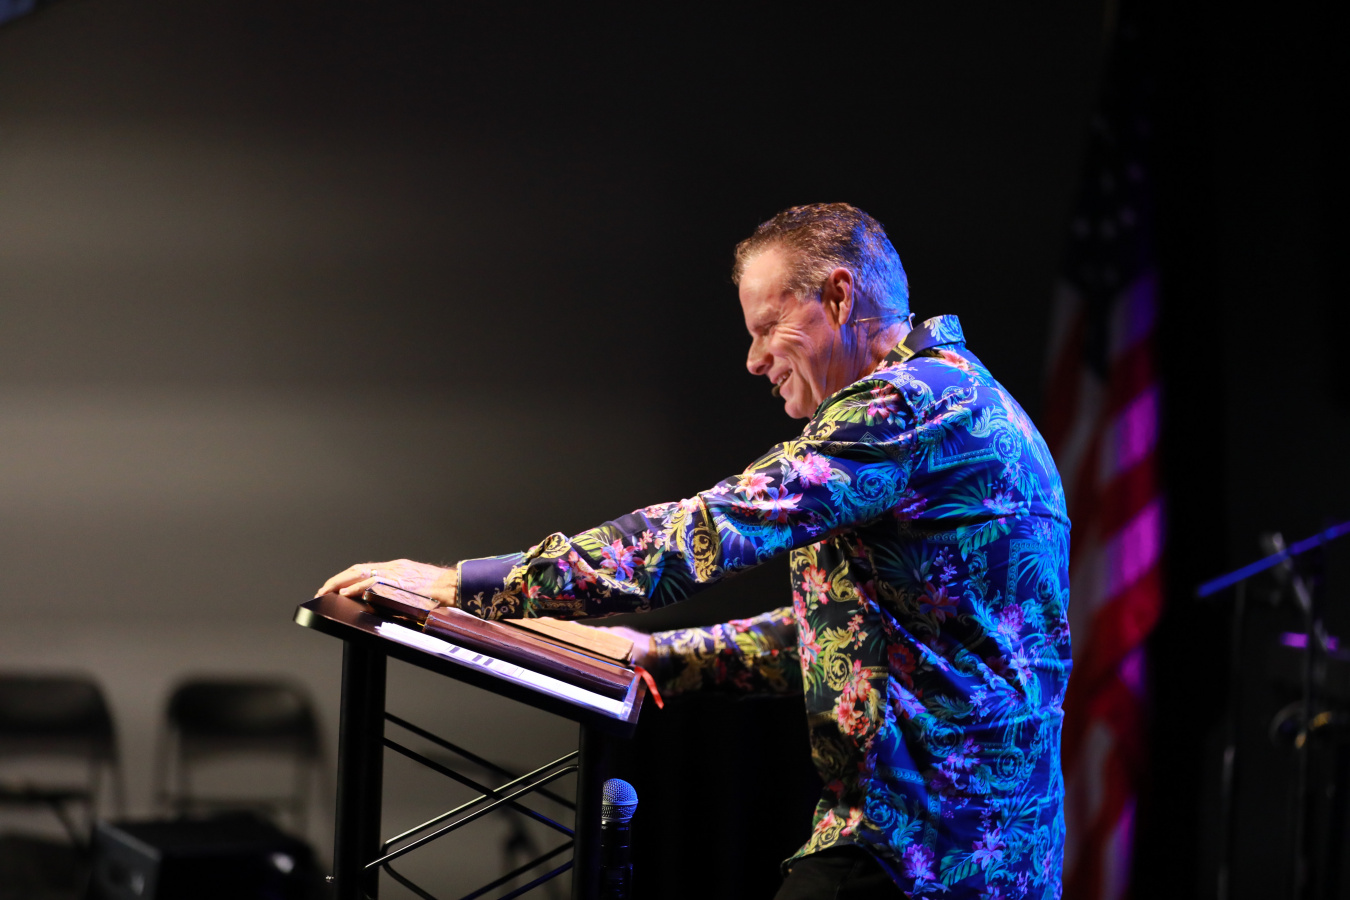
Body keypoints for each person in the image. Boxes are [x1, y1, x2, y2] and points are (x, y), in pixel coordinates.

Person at [317, 203, 1072, 899]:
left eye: (768, 327)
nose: (753, 360)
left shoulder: (904, 406)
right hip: (986, 855)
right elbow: (854, 637)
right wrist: (654, 655)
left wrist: (466, 584)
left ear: (840, 298)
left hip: (918, 856)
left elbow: (696, 537)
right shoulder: (965, 396)